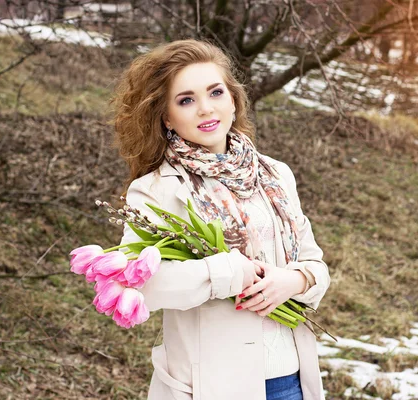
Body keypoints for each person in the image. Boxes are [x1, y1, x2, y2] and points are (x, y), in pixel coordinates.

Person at [112, 39, 330, 400]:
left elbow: (315, 263)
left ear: (233, 99)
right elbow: (139, 286)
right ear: (166, 116)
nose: (205, 109)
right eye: (186, 100)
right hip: (211, 386)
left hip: (290, 381)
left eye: (215, 92)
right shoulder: (155, 190)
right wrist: (226, 273)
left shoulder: (275, 174)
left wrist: (294, 280)